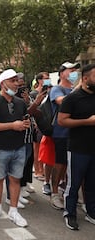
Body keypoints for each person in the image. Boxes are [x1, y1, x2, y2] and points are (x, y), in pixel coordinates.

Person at [0, 69, 30, 227]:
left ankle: (13, 210)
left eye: (17, 80)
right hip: (0, 148)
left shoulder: (20, 103)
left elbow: (23, 120)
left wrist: (24, 125)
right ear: (3, 83)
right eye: (12, 80)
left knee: (15, 179)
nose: (16, 83)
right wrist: (12, 125)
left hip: (19, 147)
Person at [57, 63, 95, 230]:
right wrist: (87, 122)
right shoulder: (73, 98)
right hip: (78, 148)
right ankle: (70, 213)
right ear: (85, 79)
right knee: (74, 184)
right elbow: (62, 121)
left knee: (93, 183)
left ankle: (91, 212)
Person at [49, 62, 80, 210]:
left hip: (77, 132)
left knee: (72, 165)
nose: (74, 73)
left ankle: (66, 190)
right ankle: (54, 193)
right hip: (61, 133)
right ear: (61, 74)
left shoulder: (76, 89)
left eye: (75, 70)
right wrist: (79, 88)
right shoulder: (57, 89)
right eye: (71, 70)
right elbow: (63, 102)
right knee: (60, 163)